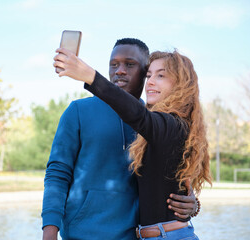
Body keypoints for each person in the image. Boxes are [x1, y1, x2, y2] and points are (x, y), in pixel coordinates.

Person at [43, 39, 198, 240]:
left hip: (133, 237)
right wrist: (49, 229)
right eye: (113, 64)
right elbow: (57, 172)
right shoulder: (78, 111)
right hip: (82, 234)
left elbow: (166, 179)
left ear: (144, 72)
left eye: (130, 64)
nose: (120, 71)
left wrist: (192, 203)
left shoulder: (155, 121)